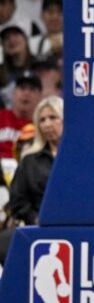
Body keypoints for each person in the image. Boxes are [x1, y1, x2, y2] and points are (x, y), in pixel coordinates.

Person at [8, 95, 62, 226]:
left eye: (53, 117)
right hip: (39, 229)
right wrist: (35, 218)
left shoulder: (79, 158)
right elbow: (17, 200)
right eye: (42, 120)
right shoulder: (29, 161)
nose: (47, 124)